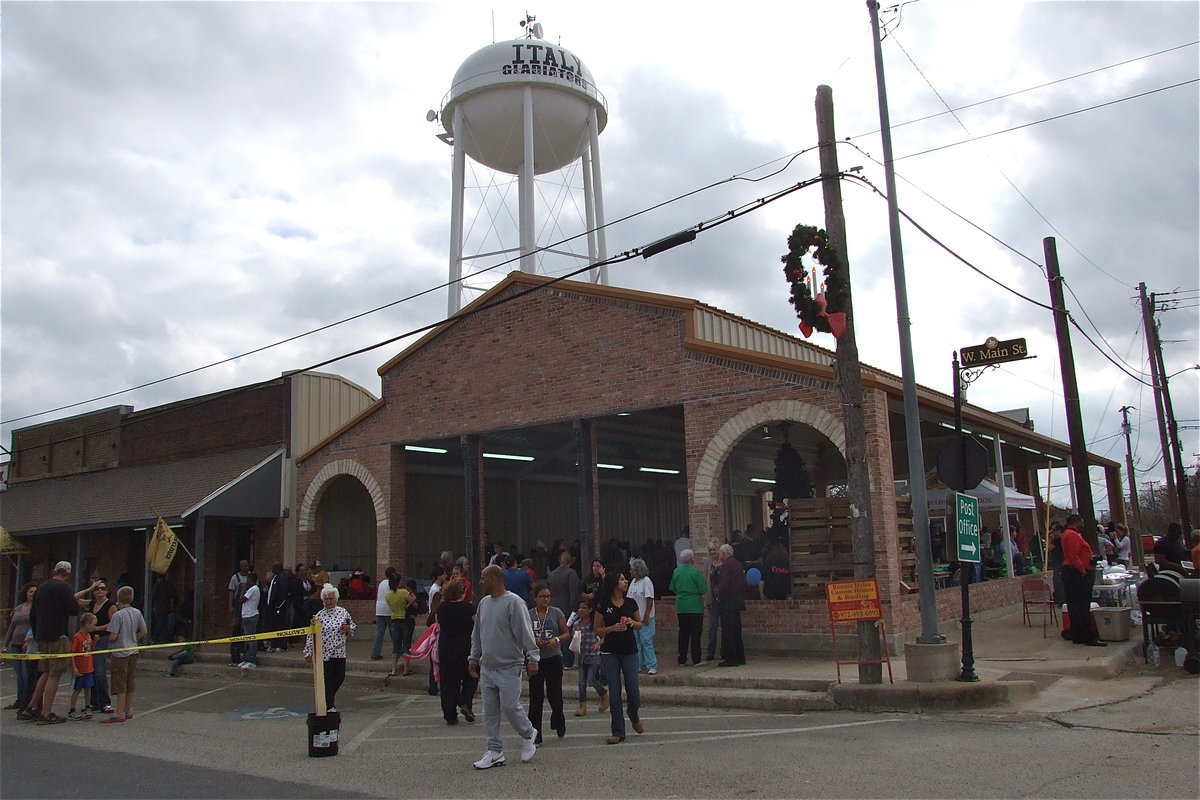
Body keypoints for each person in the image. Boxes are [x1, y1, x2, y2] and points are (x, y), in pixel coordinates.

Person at [468, 564, 540, 769]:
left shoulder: (514, 603)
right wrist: (474, 658)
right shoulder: (483, 604)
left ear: (494, 579)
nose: (480, 582)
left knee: (510, 706)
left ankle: (528, 733)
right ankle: (494, 750)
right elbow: (478, 634)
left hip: (509, 666)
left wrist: (532, 658)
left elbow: (525, 632)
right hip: (488, 667)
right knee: (489, 711)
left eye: (483, 578)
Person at [28, 561, 92, 725]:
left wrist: (37, 634)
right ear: (67, 574)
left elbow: (32, 614)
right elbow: (72, 610)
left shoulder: (41, 588)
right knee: (55, 674)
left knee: (46, 671)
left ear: (54, 571)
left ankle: (31, 707)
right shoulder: (64, 588)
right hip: (58, 635)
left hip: (42, 635)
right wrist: (78, 603)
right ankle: (46, 713)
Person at [593, 570, 644, 744]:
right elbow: (597, 629)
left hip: (630, 650)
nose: (626, 582)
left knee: (633, 690)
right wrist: (612, 628)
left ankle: (633, 713)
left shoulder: (631, 603)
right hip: (610, 652)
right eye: (622, 579)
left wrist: (631, 622)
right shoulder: (603, 605)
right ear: (615, 583)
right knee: (615, 692)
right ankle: (618, 730)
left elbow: (640, 625)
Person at [303, 584, 357, 713]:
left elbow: (352, 626)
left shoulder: (343, 612)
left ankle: (328, 700)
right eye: (326, 599)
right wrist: (308, 651)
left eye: (331, 599)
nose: (329, 601)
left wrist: (348, 629)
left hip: (339, 652)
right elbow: (311, 635)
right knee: (327, 679)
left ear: (336, 599)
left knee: (339, 676)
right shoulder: (319, 616)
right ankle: (329, 705)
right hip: (324, 653)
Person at [527, 582, 568, 743]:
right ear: (535, 598)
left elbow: (566, 633)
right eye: (542, 597)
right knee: (535, 697)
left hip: (553, 657)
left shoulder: (556, 613)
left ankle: (558, 720)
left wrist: (556, 639)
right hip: (535, 658)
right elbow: (523, 633)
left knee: (555, 693)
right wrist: (533, 639)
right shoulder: (529, 614)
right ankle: (536, 733)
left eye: (548, 596)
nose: (545, 599)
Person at [101, 585, 148, 723]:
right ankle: (128, 709)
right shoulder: (137, 612)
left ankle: (119, 711)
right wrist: (134, 639)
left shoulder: (118, 615)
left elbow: (113, 636)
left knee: (119, 682)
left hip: (120, 652)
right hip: (133, 650)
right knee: (130, 680)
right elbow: (144, 630)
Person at [436, 578, 477, 725]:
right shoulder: (469, 608)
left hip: (446, 647)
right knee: (471, 676)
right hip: (466, 646)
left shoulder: (441, 608)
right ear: (462, 592)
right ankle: (465, 701)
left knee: (448, 681)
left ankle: (450, 714)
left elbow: (437, 623)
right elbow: (478, 625)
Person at [1061, 514, 1105, 647]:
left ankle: (1079, 634)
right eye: (1082, 522)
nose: (1083, 524)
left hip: (1075, 572)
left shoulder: (1071, 534)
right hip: (1076, 573)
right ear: (1076, 522)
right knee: (1081, 605)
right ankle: (1086, 635)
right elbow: (1073, 556)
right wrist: (1083, 570)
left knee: (1076, 605)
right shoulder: (1071, 535)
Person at [567, 598, 608, 716]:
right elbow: (574, 638)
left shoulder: (595, 623)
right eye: (580, 608)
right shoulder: (576, 624)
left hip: (593, 655)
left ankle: (604, 694)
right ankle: (582, 705)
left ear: (590, 610)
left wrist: (598, 644)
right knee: (581, 681)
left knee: (591, 679)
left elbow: (605, 636)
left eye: (584, 608)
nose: (581, 610)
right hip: (581, 655)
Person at [669, 548, 706, 667]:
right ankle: (696, 659)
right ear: (691, 559)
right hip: (695, 605)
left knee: (683, 632)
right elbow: (703, 589)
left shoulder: (676, 571)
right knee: (695, 633)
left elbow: (673, 587)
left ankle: (682, 658)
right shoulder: (695, 572)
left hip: (681, 605)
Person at [4, 582, 37, 711]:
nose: (33, 594)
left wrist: (29, 641)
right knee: (19, 675)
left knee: (26, 675)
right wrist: (5, 644)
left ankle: (26, 701)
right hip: (15, 645)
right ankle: (19, 699)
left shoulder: (37, 608)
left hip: (28, 645)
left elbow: (36, 626)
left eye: (35, 592)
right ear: (25, 593)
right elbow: (12, 627)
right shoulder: (18, 608)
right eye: (30, 592)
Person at [548, 552, 582, 667]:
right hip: (566, 607)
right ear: (570, 562)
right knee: (567, 634)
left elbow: (550, 591)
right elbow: (574, 591)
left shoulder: (552, 574)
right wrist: (574, 607)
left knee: (557, 634)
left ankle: (558, 659)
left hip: (554, 606)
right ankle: (567, 661)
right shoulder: (571, 573)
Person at [716, 544, 747, 666]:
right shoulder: (738, 564)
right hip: (737, 599)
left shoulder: (726, 565)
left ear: (724, 553)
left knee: (728, 631)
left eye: (720, 553)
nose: (720, 555)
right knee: (736, 629)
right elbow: (744, 582)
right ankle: (740, 657)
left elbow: (724, 584)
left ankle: (731, 658)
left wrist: (719, 594)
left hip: (728, 601)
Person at [627, 558, 658, 676]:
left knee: (646, 641)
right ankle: (640, 664)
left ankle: (652, 665)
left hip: (646, 617)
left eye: (632, 569)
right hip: (635, 618)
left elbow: (649, 598)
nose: (630, 571)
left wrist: (646, 615)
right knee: (637, 641)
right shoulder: (633, 582)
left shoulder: (646, 581)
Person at [68, 613, 97, 720]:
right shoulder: (77, 637)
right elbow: (72, 653)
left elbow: (88, 649)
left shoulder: (88, 636)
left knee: (88, 687)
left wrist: (95, 642)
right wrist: (74, 667)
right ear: (87, 624)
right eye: (93, 624)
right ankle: (72, 709)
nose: (94, 627)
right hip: (80, 668)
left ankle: (87, 706)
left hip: (88, 667)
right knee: (77, 689)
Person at [384, 573, 411, 678]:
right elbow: (411, 600)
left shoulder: (388, 596)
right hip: (404, 619)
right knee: (406, 645)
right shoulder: (404, 592)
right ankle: (405, 669)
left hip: (394, 620)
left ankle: (394, 669)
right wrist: (407, 606)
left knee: (396, 646)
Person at [371, 566, 398, 661]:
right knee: (393, 631)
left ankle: (375, 652)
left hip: (379, 609)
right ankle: (397, 650)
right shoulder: (391, 583)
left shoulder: (381, 583)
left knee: (379, 632)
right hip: (388, 609)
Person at [227, 560, 251, 666]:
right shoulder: (235, 578)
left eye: (247, 566)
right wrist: (230, 605)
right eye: (244, 566)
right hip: (238, 606)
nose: (246, 567)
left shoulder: (251, 577)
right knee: (237, 629)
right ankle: (235, 654)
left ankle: (243, 650)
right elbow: (231, 592)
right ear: (240, 567)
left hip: (248, 606)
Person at [237, 572, 261, 669]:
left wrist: (243, 589)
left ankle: (251, 660)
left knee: (251, 639)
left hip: (251, 615)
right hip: (246, 616)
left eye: (248, 579)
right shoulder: (251, 589)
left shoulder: (253, 589)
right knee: (246, 639)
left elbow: (241, 599)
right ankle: (246, 659)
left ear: (251, 580)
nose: (246, 581)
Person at [704, 538, 723, 662]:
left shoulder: (724, 562)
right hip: (713, 598)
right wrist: (707, 599)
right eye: (710, 550)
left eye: (714, 549)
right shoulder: (707, 563)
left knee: (725, 625)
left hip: (724, 598)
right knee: (712, 626)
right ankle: (710, 651)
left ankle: (724, 650)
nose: (712, 552)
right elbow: (705, 581)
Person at [265, 562, 291, 651]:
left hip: (279, 608)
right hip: (273, 607)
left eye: (274, 567)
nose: (272, 569)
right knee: (274, 626)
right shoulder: (275, 577)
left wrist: (278, 606)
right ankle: (274, 644)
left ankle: (282, 645)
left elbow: (282, 593)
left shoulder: (281, 577)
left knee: (280, 625)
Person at [150, 575, 175, 643]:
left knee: (161, 622)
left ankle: (165, 638)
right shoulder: (169, 585)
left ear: (158, 578)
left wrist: (151, 606)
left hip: (159, 607)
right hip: (167, 607)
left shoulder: (157, 585)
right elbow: (174, 595)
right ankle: (155, 638)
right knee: (161, 622)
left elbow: (153, 596)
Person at [1047, 522, 1065, 605]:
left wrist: (1049, 539)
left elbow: (1049, 548)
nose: (1052, 532)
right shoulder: (1058, 540)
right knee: (1057, 581)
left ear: (1059, 530)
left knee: (1058, 581)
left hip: (1059, 563)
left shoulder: (1058, 540)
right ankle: (1059, 598)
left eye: (1054, 530)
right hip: (1057, 563)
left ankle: (1061, 599)